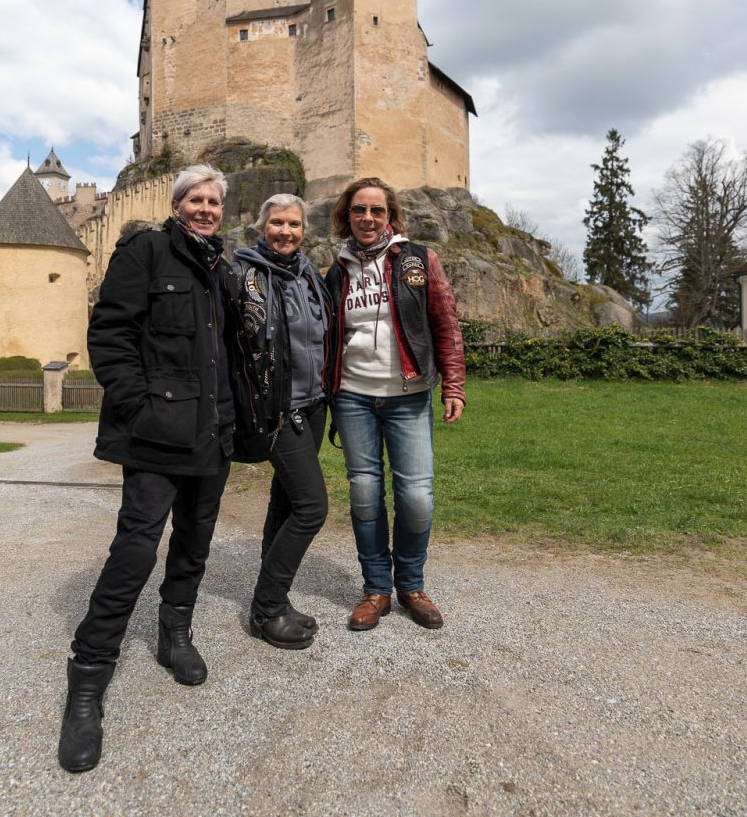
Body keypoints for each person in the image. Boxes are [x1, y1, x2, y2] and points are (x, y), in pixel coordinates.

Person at [58, 164, 236, 774]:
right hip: (158, 433)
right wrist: (139, 408)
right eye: (196, 199)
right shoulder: (145, 251)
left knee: (194, 543)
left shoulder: (219, 267)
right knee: (135, 550)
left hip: (212, 433)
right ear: (177, 202)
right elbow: (109, 334)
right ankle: (88, 679)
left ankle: (173, 635)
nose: (205, 208)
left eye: (214, 201)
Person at [324, 177, 466, 633]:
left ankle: (411, 585)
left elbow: (445, 322)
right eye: (359, 210)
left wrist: (453, 385)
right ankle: (376, 590)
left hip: (408, 396)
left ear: (390, 216)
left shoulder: (418, 260)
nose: (367, 218)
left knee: (416, 497)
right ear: (347, 216)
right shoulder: (337, 270)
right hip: (353, 397)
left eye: (377, 210)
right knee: (365, 494)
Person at [232, 193, 332, 650]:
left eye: (294, 224)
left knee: (287, 502)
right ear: (261, 227)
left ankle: (276, 596)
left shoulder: (309, 273)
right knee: (312, 507)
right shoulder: (245, 275)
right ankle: (267, 607)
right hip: (278, 410)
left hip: (314, 405)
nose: (286, 231)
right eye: (277, 223)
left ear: (303, 230)